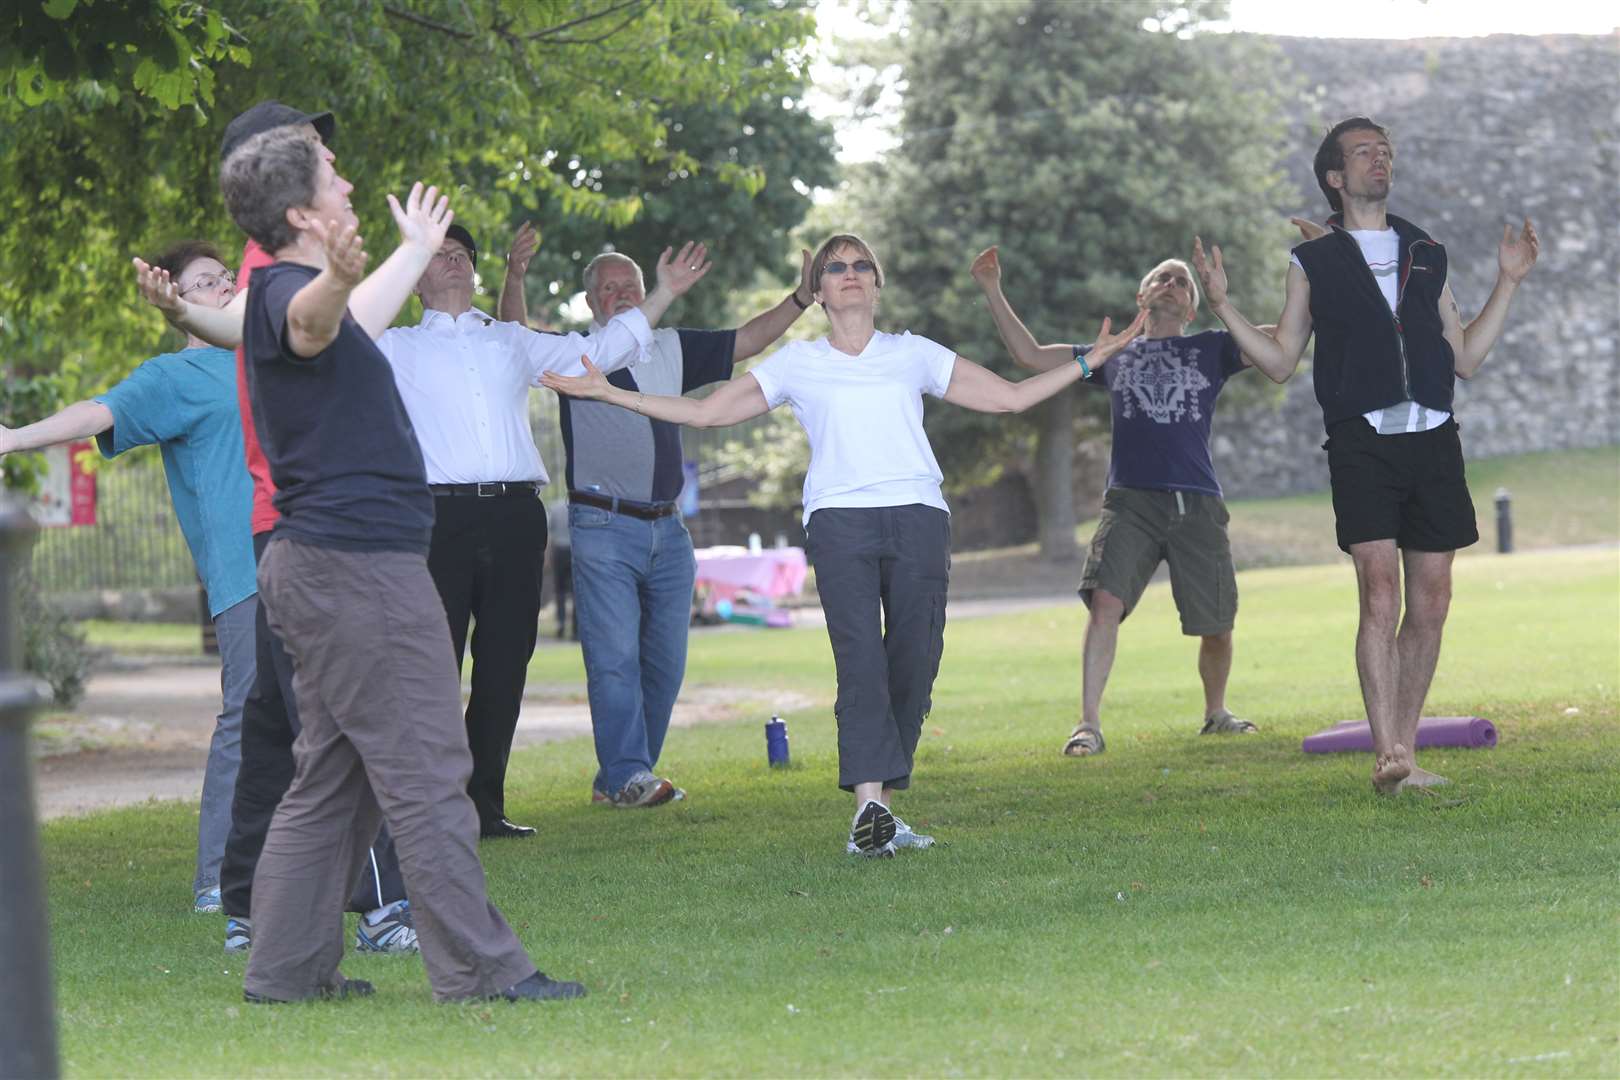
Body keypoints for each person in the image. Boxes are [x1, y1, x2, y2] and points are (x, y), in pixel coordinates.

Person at [542, 233, 1145, 854]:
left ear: (876, 285)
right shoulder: (797, 363)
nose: (850, 274)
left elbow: (1011, 397)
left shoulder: (912, 354)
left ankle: (883, 810)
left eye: (861, 265)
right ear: (821, 291)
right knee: (861, 664)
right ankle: (868, 814)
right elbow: (706, 413)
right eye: (836, 267)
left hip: (917, 517)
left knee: (914, 662)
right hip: (839, 523)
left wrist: (1086, 363)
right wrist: (611, 392)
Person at [219, 124, 576, 1003]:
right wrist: (369, 266)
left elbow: (330, 320)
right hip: (355, 569)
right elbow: (311, 326)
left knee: (334, 779)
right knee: (425, 769)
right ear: (303, 211)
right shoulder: (289, 293)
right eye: (334, 177)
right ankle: (483, 973)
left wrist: (365, 272)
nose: (349, 185)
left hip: (336, 566)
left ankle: (286, 971)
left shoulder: (291, 286)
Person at [135, 100, 414, 955]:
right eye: (317, 150)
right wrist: (410, 254)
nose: (333, 160)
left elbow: (247, 321)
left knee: (268, 725)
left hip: (280, 522)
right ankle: (381, 906)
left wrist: (187, 316)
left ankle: (249, 901)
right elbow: (323, 324)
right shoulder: (278, 266)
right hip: (305, 521)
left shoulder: (268, 265)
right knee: (343, 720)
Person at [1190, 115, 1539, 793]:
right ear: (1334, 176)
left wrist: (1510, 282)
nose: (1378, 160)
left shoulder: (1426, 250)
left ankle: (1404, 749)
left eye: (1384, 151)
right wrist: (1225, 306)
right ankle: (1387, 753)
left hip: (1434, 437)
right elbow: (1282, 360)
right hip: (1363, 441)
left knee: (1431, 602)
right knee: (1380, 594)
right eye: (1362, 153)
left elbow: (1463, 355)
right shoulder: (1312, 262)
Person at [375, 223, 710, 837]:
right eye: (437, 255)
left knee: (505, 665)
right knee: (430, 668)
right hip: (434, 518)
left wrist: (661, 293)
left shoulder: (510, 341)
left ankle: (484, 808)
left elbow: (601, 354)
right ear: (414, 277)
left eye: (462, 256)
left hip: (514, 517)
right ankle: (422, 814)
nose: (453, 262)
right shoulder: (390, 345)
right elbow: (317, 344)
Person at [501, 244, 815, 808]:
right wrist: (515, 276)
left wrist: (800, 297)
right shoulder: (577, 353)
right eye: (608, 289)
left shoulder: (671, 347)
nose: (620, 296)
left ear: (646, 292)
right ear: (591, 300)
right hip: (601, 525)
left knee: (665, 665)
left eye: (629, 287)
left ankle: (622, 775)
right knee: (614, 658)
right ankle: (627, 776)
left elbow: (747, 340)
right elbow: (511, 338)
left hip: (669, 533)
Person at [2, 241, 255, 916]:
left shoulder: (266, 358)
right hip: (244, 577)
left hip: (308, 558)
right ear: (176, 304)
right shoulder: (173, 379)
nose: (225, 286)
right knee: (250, 716)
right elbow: (98, 412)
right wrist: (14, 438)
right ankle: (217, 879)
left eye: (228, 276)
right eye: (206, 283)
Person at [971, 245, 1266, 758]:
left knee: (1216, 623)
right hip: (1130, 502)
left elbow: (1278, 347)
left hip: (1196, 501)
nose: (1172, 284)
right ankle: (1088, 724)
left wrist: (1232, 299)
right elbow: (1030, 356)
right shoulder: (1110, 353)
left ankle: (1216, 713)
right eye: (1163, 278)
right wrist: (992, 288)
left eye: (1182, 283)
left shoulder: (1213, 348)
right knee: (1105, 602)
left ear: (1192, 308)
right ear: (1142, 295)